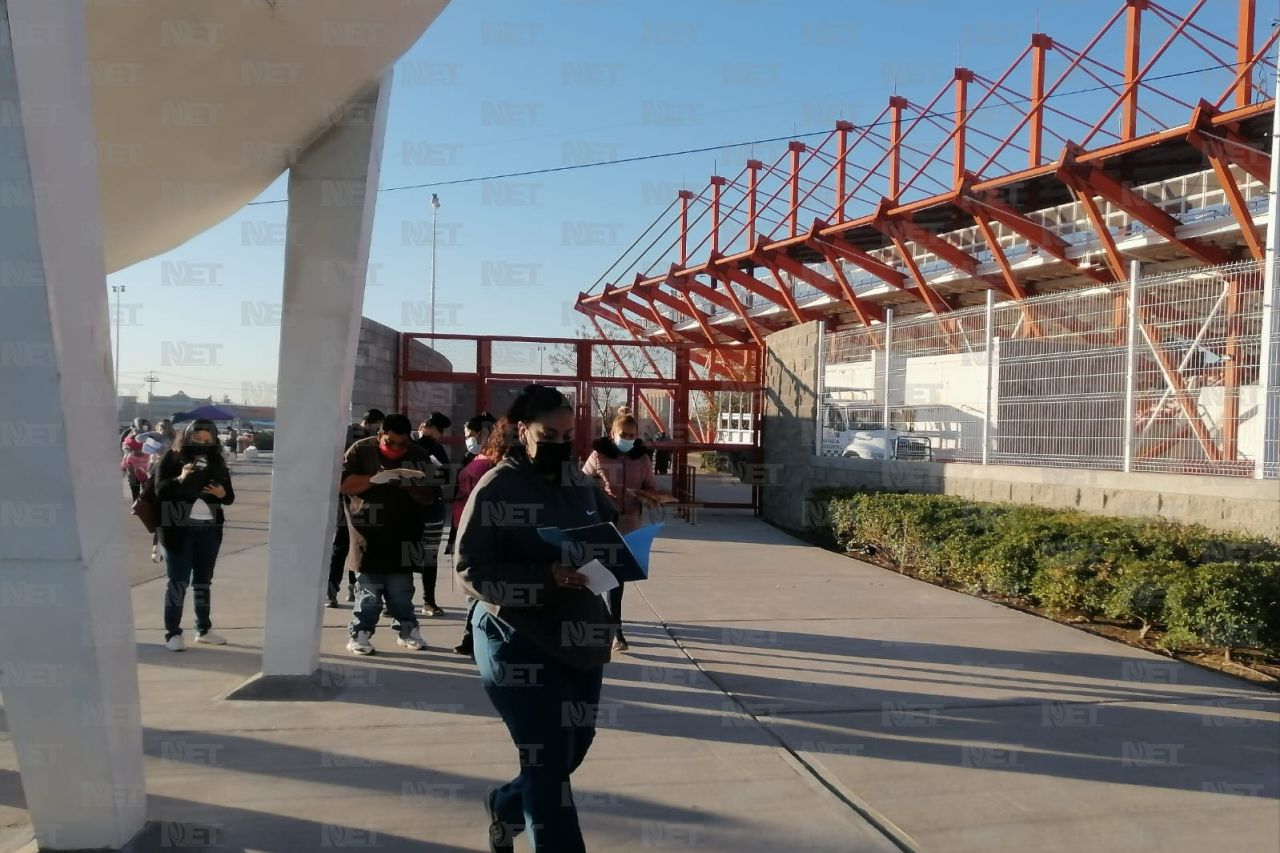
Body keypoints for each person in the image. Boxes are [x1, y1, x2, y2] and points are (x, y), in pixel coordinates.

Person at [456, 384, 616, 853]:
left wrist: (620, 552)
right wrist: (546, 575)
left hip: (580, 639)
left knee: (571, 751)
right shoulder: (497, 486)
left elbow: (606, 531)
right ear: (523, 430)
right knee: (547, 766)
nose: (561, 444)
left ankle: (504, 807)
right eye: (550, 434)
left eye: (569, 434)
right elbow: (471, 571)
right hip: (517, 640)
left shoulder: (577, 482)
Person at [341, 413, 439, 655]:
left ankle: (407, 629)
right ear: (379, 436)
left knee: (401, 590)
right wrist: (375, 479)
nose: (396, 448)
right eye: (389, 442)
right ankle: (360, 633)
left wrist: (406, 483)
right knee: (368, 590)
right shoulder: (360, 451)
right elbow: (343, 484)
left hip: (405, 533)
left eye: (402, 444)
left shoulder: (418, 455)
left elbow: (431, 495)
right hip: (367, 533)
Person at [154, 418, 235, 652]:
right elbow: (160, 491)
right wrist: (180, 478)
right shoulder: (172, 457)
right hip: (176, 529)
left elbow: (229, 497)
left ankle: (203, 629)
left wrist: (221, 492)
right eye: (197, 438)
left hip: (208, 529)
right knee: (177, 582)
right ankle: (173, 633)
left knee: (202, 582)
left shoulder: (217, 461)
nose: (202, 442)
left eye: (207, 439)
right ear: (187, 437)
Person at [582, 409, 660, 653]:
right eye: (623, 434)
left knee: (616, 579)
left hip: (630, 527)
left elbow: (651, 488)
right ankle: (609, 628)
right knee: (601, 577)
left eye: (632, 435)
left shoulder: (643, 459)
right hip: (603, 524)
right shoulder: (599, 455)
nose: (628, 438)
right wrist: (596, 495)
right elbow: (581, 483)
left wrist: (648, 497)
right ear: (612, 434)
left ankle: (614, 629)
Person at [448, 412, 499, 657]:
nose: (468, 439)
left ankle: (472, 637)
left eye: (471, 435)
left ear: (484, 433)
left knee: (478, 589)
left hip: (482, 530)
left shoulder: (494, 461)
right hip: (464, 526)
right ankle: (473, 636)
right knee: (473, 589)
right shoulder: (475, 457)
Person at [327, 408, 384, 607]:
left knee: (352, 544)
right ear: (373, 423)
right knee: (344, 543)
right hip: (348, 497)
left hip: (358, 497)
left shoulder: (360, 437)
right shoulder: (354, 438)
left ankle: (343, 590)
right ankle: (334, 590)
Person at [411, 412, 452, 615]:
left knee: (422, 555)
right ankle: (423, 602)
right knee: (423, 556)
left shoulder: (435, 449)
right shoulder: (411, 445)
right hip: (419, 509)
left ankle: (425, 601)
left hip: (425, 509)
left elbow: (445, 478)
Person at [120, 417, 152, 501]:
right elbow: (123, 446)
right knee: (137, 486)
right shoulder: (128, 433)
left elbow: (122, 447)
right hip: (135, 464)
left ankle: (141, 505)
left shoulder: (148, 433)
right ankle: (138, 505)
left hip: (141, 464)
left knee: (142, 486)